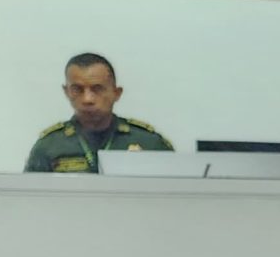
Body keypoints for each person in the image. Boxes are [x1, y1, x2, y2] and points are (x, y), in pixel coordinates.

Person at [24, 53, 172, 171]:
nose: (87, 99)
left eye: (97, 89)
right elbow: (29, 202)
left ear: (116, 93)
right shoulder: (49, 146)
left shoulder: (149, 143)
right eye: (77, 90)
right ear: (66, 92)